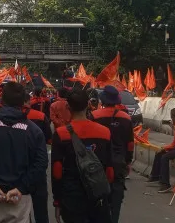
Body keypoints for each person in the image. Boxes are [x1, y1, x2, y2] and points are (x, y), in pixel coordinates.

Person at [0, 82, 48, 223]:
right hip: (19, 199)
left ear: (1, 100)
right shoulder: (34, 131)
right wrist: (22, 188)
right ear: (23, 102)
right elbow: (41, 163)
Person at [51, 88, 113, 223]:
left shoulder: (61, 134)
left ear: (68, 106)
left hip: (72, 198)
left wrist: (57, 201)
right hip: (98, 196)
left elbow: (56, 172)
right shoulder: (105, 132)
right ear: (88, 105)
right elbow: (109, 170)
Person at [92, 86, 134, 223]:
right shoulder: (126, 118)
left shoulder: (94, 116)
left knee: (97, 201)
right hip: (118, 163)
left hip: (99, 164)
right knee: (116, 202)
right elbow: (130, 144)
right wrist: (128, 161)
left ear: (102, 100)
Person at [24, 94, 52, 223]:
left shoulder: (4, 119)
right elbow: (49, 139)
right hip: (37, 168)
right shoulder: (40, 116)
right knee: (41, 211)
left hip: (17, 170)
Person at [148, 108, 175, 193]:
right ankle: (155, 176)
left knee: (164, 157)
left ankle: (165, 184)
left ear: (173, 117)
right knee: (160, 154)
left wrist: (163, 148)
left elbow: (174, 144)